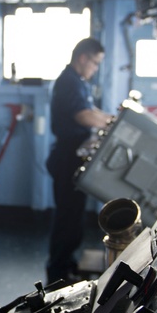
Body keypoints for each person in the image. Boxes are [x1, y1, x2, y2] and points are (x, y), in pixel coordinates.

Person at [45, 38, 115, 284]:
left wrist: (113, 119)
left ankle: (67, 265)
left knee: (73, 217)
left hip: (73, 157)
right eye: (95, 63)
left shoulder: (79, 82)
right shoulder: (68, 82)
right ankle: (57, 273)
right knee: (66, 218)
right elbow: (84, 116)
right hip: (66, 158)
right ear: (83, 58)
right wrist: (112, 123)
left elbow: (92, 110)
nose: (95, 68)